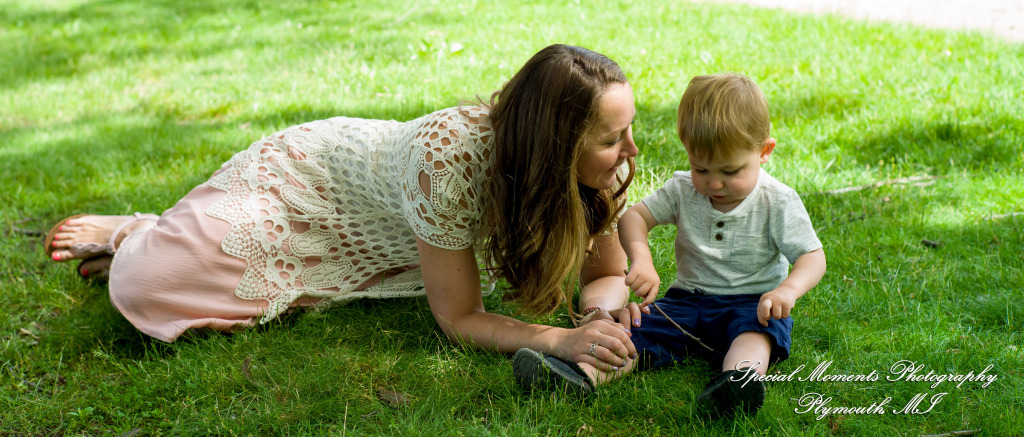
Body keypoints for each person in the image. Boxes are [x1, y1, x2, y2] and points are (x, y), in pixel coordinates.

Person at [44, 44, 647, 374]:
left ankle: (164, 238)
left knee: (206, 288)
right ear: (552, 145)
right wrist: (556, 342)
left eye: (627, 131)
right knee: (151, 284)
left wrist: (598, 319)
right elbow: (460, 318)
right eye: (610, 139)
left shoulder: (592, 168)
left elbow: (602, 274)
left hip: (391, 231)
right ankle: (139, 231)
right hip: (308, 183)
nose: (630, 151)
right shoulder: (449, 162)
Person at [513, 73, 826, 416]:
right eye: (700, 168)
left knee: (754, 334)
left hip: (753, 303)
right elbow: (635, 217)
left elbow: (811, 256)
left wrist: (788, 291)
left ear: (764, 151)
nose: (714, 183)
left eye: (731, 171)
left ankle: (737, 383)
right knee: (632, 331)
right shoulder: (683, 190)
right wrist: (641, 259)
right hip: (685, 301)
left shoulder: (777, 201)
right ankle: (580, 375)